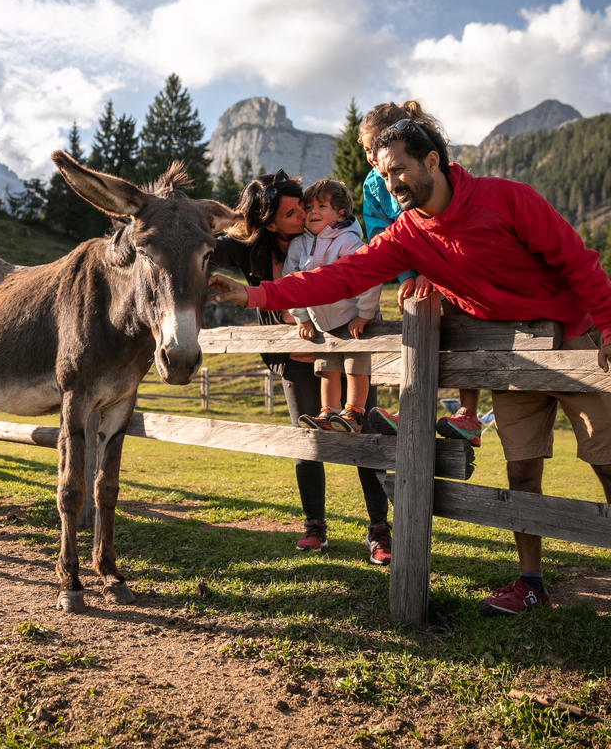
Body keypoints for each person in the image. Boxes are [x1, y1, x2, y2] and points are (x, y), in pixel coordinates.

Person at [209, 119, 611, 615]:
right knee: (522, 471)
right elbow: (337, 278)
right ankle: (531, 584)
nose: (391, 182)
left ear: (432, 161)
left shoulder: (508, 198)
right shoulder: (405, 236)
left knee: (606, 459)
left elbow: (578, 261)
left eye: (398, 169)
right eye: (383, 172)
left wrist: (608, 327)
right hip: (511, 357)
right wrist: (255, 294)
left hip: (573, 340)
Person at [211, 170, 393, 563]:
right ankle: (315, 524)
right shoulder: (253, 248)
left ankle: (380, 527)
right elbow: (209, 248)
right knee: (307, 439)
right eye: (294, 211)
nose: (304, 214)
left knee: (366, 435)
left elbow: (361, 271)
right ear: (270, 221)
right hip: (295, 359)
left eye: (308, 207)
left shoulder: (330, 238)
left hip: (345, 346)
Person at [359, 101, 483, 447]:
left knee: (462, 328)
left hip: (452, 266)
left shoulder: (432, 167)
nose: (372, 156)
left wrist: (434, 272)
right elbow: (380, 232)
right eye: (367, 150)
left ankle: (468, 414)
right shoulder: (373, 184)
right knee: (415, 328)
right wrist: (407, 276)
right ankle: (414, 408)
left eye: (374, 147)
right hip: (415, 270)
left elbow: (446, 223)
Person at [284, 179, 381, 433]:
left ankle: (354, 413)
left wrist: (365, 314)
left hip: (352, 320)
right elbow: (291, 283)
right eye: (310, 206)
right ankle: (329, 412)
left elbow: (368, 277)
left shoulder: (347, 242)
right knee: (327, 369)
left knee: (355, 366)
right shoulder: (299, 245)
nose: (313, 211)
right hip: (322, 323)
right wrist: (302, 317)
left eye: (322, 206)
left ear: (340, 214)